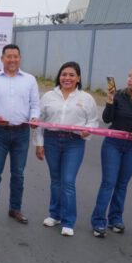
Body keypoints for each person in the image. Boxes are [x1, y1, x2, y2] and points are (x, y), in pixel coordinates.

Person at [90, 63, 132, 238]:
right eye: (129, 76)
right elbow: (107, 119)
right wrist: (110, 100)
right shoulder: (119, 95)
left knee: (122, 184)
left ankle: (115, 219)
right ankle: (99, 222)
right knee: (108, 183)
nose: (129, 80)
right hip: (113, 144)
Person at [33, 62, 99, 236]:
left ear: (78, 78)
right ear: (59, 76)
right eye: (64, 74)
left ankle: (68, 221)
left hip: (74, 143)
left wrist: (88, 130)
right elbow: (39, 121)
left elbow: (93, 121)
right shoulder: (48, 96)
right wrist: (39, 144)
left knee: (68, 181)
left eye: (71, 75)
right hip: (52, 140)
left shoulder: (86, 98)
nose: (67, 78)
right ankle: (54, 214)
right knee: (55, 180)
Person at [0, 44, 40, 225]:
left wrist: (34, 118)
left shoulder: (30, 80)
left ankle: (15, 209)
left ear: (20, 58)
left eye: (15, 56)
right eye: (9, 56)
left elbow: (35, 105)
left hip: (21, 133)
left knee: (18, 174)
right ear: (2, 58)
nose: (12, 60)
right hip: (0, 132)